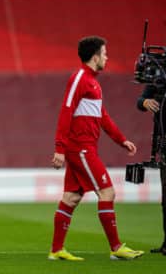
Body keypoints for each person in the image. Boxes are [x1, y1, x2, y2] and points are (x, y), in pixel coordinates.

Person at [49, 36, 144, 261]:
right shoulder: (80, 78)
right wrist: (59, 148)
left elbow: (102, 116)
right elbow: (66, 110)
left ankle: (56, 250)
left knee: (71, 198)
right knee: (107, 192)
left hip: (84, 148)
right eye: (105, 53)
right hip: (81, 149)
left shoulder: (93, 82)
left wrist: (121, 140)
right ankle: (116, 248)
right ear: (95, 56)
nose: (107, 57)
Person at [137, 84, 166, 255]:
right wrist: (145, 102)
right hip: (164, 146)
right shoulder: (159, 75)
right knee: (165, 200)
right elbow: (140, 101)